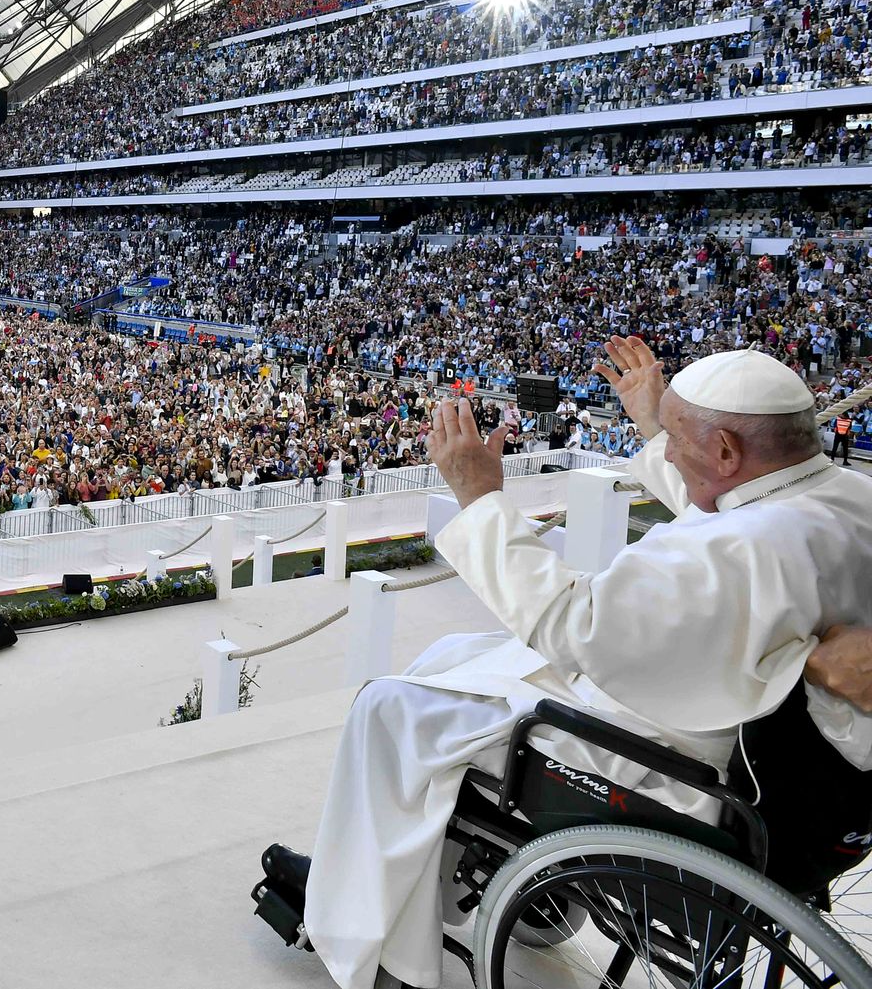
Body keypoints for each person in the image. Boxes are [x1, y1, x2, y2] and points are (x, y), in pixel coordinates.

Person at [277, 339, 872, 989]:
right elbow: (733, 507)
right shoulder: (841, 497)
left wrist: (479, 498)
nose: (665, 454)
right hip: (789, 780)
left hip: (691, 768)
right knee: (454, 658)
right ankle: (390, 886)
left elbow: (569, 624)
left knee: (390, 704)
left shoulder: (737, 548)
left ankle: (374, 939)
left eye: (675, 437)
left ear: (727, 450)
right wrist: (653, 418)